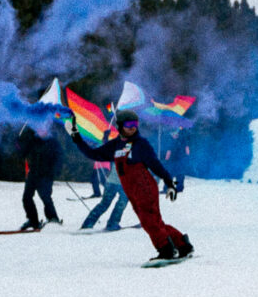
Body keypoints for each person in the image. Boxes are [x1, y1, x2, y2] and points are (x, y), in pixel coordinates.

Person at [69, 110, 191, 260]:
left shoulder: (140, 144)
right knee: (153, 221)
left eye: (135, 124)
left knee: (149, 221)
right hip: (131, 190)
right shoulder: (116, 145)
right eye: (128, 124)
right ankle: (182, 245)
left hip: (144, 187)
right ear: (119, 126)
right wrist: (77, 138)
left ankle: (166, 250)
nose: (132, 127)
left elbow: (155, 164)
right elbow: (94, 154)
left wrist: (168, 183)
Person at [18, 117, 64, 229]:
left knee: (45, 196)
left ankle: (53, 218)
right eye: (38, 128)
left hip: (46, 174)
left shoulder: (53, 142)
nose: (40, 130)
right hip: (33, 172)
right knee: (26, 197)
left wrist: (55, 170)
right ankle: (32, 220)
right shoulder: (33, 140)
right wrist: (18, 142)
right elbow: (23, 153)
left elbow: (60, 157)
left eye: (42, 128)